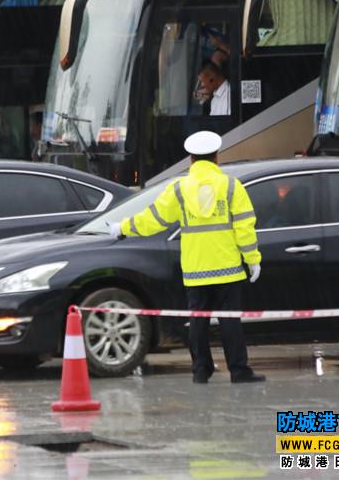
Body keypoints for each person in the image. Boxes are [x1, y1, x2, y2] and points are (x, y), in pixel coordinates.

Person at [109, 131, 265, 384]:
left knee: (198, 321)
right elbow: (244, 226)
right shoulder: (231, 186)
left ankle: (201, 371)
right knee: (230, 321)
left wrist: (123, 227)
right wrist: (252, 259)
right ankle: (239, 371)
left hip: (196, 269)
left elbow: (154, 219)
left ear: (191, 159)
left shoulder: (179, 189)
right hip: (228, 268)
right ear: (216, 157)